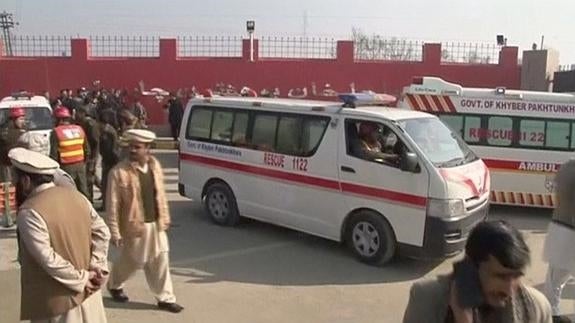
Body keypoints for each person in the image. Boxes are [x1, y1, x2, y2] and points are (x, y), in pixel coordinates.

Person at [11, 147, 110, 323]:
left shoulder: (29, 212)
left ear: (25, 181)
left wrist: (82, 278)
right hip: (90, 297)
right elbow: (102, 232)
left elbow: (48, 259)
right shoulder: (78, 197)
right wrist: (96, 264)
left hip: (58, 303)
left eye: (15, 180)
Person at [403, 221, 552, 323]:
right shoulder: (428, 299)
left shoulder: (537, 308)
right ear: (471, 267)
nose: (509, 290)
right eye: (500, 276)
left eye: (516, 276)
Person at [106, 129, 184, 313]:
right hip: (134, 226)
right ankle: (115, 284)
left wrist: (165, 218)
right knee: (132, 262)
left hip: (156, 225)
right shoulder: (118, 173)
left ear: (147, 148)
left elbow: (161, 195)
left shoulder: (155, 166)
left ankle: (165, 298)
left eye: (137, 147)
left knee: (160, 259)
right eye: (130, 147)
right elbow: (113, 204)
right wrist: (114, 232)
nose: (132, 150)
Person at [542, 159, 575, 323]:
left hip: (560, 228)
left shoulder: (566, 167)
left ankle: (553, 315)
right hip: (569, 232)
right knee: (556, 280)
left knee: (554, 280)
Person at [50, 106, 90, 198]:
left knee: (67, 192)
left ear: (60, 120)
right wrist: (84, 163)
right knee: (83, 190)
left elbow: (53, 155)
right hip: (80, 165)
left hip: (66, 166)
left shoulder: (56, 132)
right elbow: (87, 149)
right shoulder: (79, 129)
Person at [76, 105, 100, 203]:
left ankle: (89, 198)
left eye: (78, 113)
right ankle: (103, 189)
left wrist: (92, 156)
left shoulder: (89, 124)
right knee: (91, 175)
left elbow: (95, 141)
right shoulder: (82, 123)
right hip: (87, 153)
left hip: (91, 155)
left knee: (89, 177)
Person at [99, 110, 120, 210]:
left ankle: (106, 205)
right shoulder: (109, 130)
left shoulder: (108, 132)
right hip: (108, 159)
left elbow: (111, 148)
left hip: (110, 160)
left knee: (107, 183)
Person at [0, 107, 27, 182]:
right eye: (21, 119)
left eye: (24, 119)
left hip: (19, 167)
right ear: (14, 119)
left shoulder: (22, 130)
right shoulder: (5, 133)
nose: (23, 122)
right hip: (7, 168)